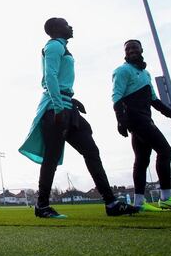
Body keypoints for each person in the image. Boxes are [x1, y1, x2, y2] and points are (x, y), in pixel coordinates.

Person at [19, 18, 138, 218]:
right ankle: (42, 206)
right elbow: (50, 77)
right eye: (66, 24)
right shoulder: (54, 46)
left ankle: (111, 203)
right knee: (51, 157)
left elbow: (62, 82)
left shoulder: (62, 47)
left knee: (91, 151)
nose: (71, 27)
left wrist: (72, 100)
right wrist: (58, 108)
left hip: (67, 106)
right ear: (57, 29)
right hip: (55, 109)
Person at [112, 39, 171, 211]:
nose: (132, 50)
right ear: (124, 52)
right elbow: (116, 97)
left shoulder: (145, 74)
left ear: (141, 49)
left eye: (135, 47)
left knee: (142, 160)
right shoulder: (122, 71)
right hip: (136, 119)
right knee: (165, 151)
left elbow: (154, 100)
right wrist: (120, 120)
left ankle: (139, 203)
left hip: (145, 118)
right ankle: (166, 198)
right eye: (128, 48)